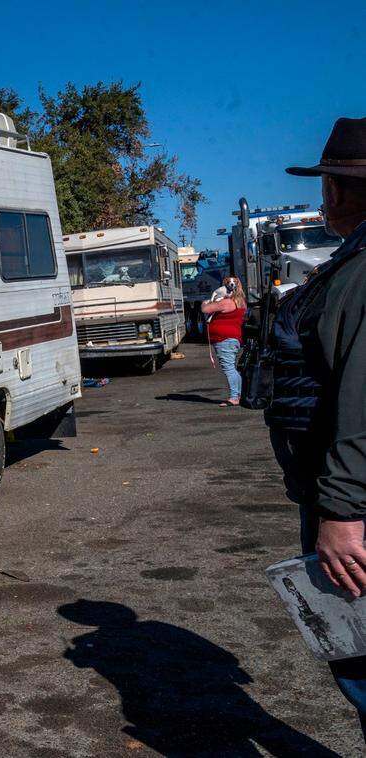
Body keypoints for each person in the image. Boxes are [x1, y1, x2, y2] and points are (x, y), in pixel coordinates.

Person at [266, 117, 366, 736]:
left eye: (328, 183)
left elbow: (361, 400)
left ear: (336, 190)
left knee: (360, 661)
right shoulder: (350, 262)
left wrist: (344, 512)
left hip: (352, 504)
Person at [201, 276, 246, 407]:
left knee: (228, 368)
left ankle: (234, 397)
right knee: (232, 368)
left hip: (224, 340)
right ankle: (239, 394)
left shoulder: (226, 302)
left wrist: (205, 302)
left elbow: (205, 309)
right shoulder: (241, 302)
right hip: (234, 338)